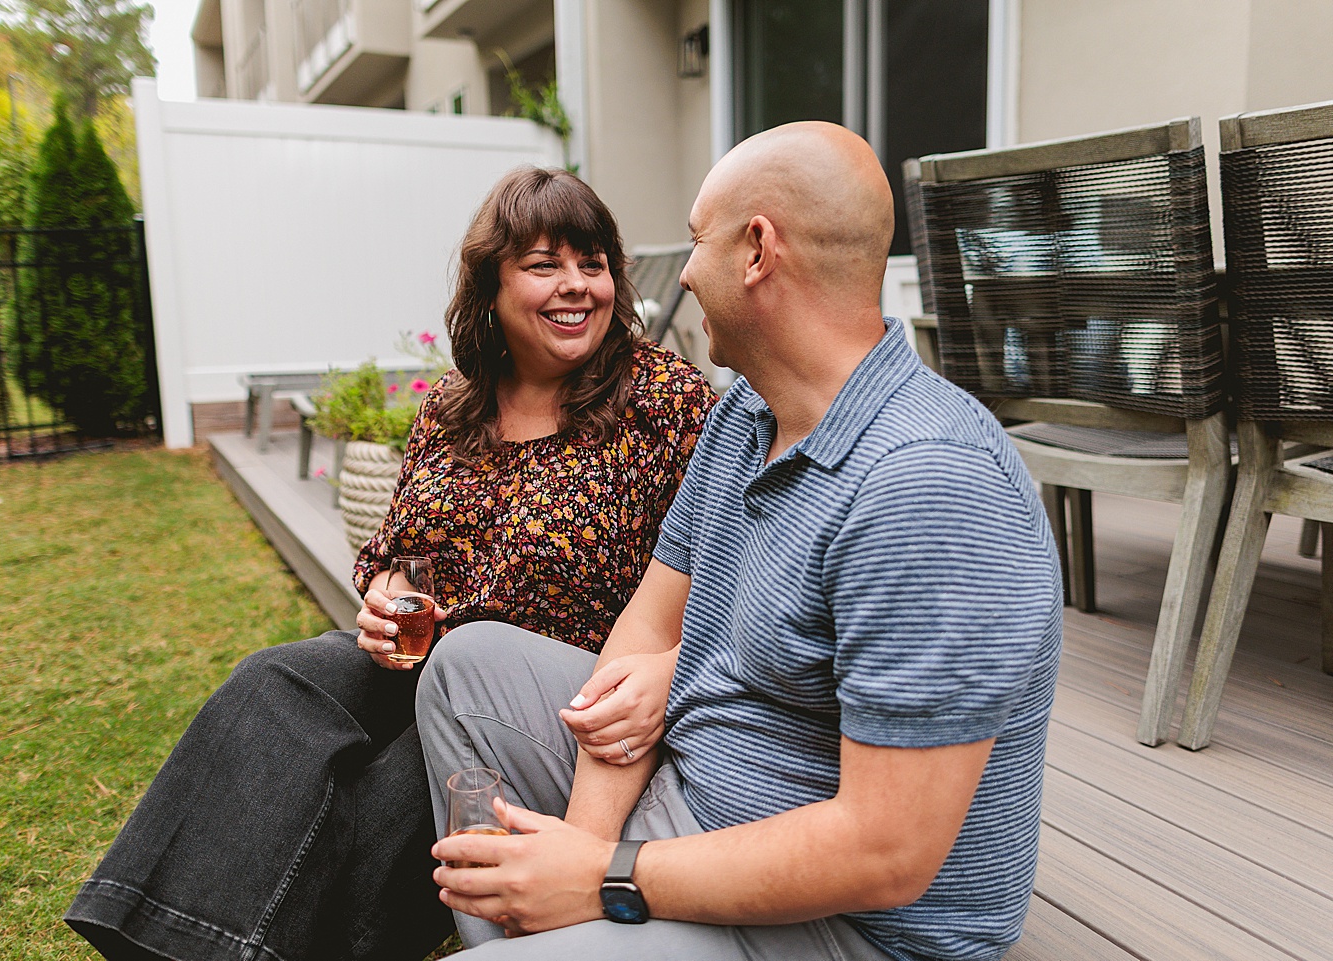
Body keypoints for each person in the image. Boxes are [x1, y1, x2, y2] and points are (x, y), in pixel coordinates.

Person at [415, 121, 1064, 961]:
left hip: (846, 923)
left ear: (757, 250)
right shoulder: (745, 414)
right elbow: (646, 631)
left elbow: (886, 853)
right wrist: (583, 864)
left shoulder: (928, 486)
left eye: (695, 240)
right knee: (467, 669)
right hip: (690, 801)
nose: (682, 271)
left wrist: (605, 873)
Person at [64, 166, 717, 961]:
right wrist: (382, 594)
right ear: (492, 285)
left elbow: (714, 571)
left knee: (392, 787)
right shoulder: (454, 406)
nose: (577, 286)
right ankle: (162, 934)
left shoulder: (663, 401)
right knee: (274, 685)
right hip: (423, 649)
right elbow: (395, 551)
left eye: (593, 262)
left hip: (542, 686)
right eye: (545, 264)